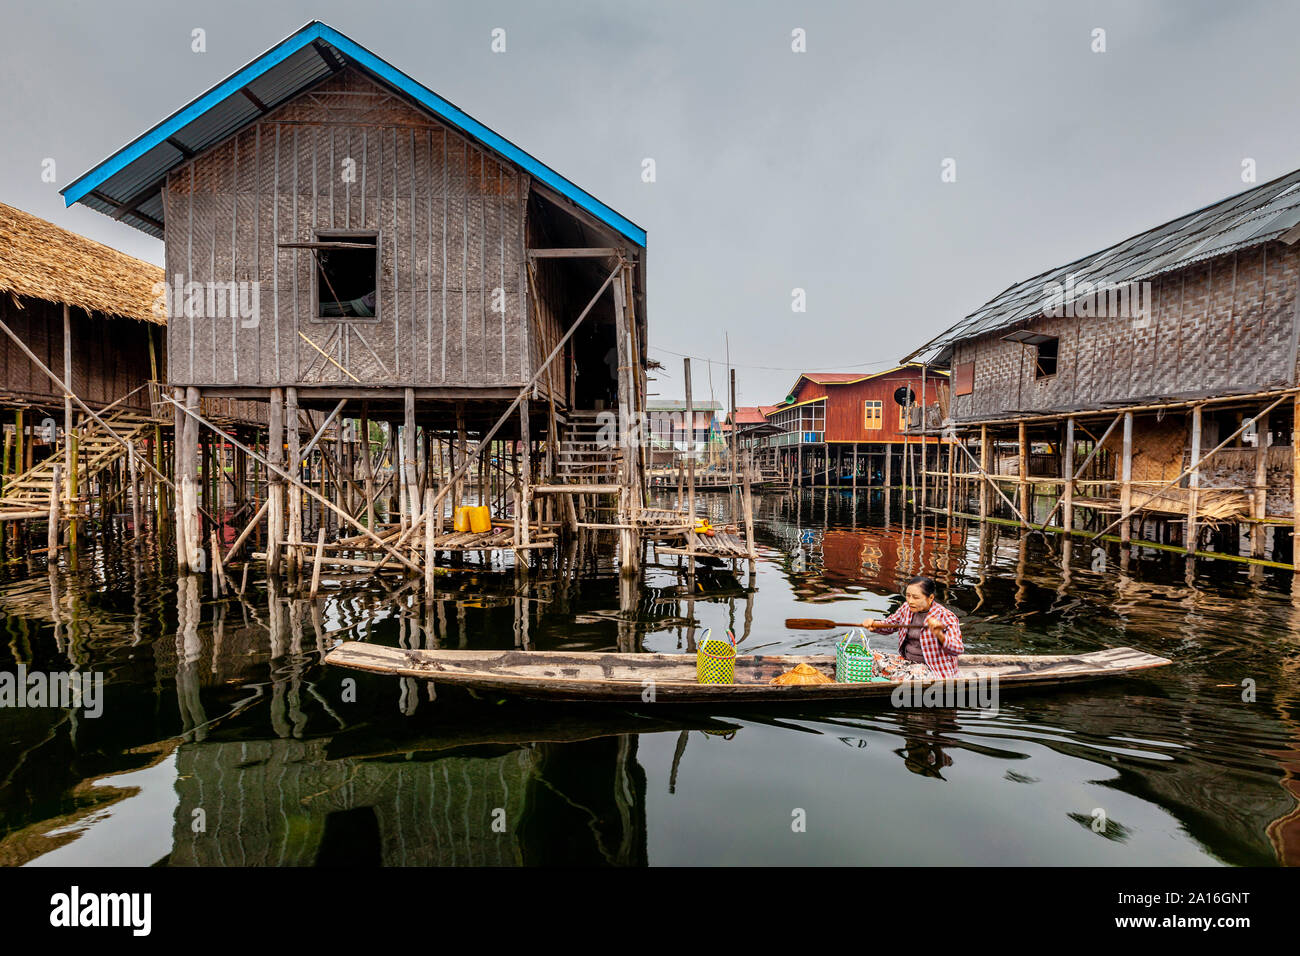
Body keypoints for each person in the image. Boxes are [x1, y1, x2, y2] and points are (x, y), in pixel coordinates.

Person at [861, 575, 963, 678]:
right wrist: (874, 624)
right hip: (908, 663)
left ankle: (892, 677)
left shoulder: (946, 616)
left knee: (914, 674)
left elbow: (958, 649)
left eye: (915, 597)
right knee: (871, 656)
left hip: (933, 669)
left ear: (930, 598)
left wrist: (939, 634)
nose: (910, 601)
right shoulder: (906, 608)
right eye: (908, 595)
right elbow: (890, 625)